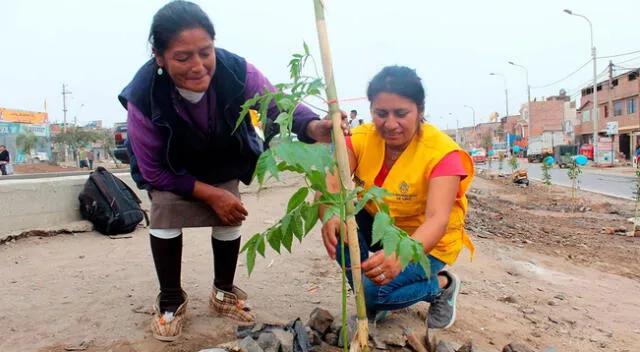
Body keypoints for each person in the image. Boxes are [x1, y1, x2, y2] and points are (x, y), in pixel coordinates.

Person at [117, 1, 346, 342]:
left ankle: (223, 293)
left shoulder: (236, 70)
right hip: (171, 167)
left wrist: (314, 127)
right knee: (165, 212)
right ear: (159, 57)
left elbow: (276, 103)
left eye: (205, 52)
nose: (198, 67)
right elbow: (154, 171)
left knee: (230, 214)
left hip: (222, 155)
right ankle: (170, 302)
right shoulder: (143, 95)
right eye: (183, 57)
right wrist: (208, 194)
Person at [319, 66, 475, 328]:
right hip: (382, 227)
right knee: (341, 217)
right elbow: (332, 183)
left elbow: (436, 220)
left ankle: (442, 285)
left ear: (420, 111)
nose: (390, 124)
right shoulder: (361, 138)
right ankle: (368, 302)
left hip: (428, 243)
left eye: (401, 114)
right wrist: (330, 210)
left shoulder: (442, 154)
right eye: (381, 114)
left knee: (376, 292)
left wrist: (402, 255)